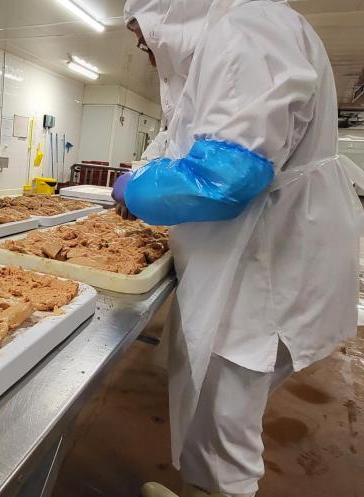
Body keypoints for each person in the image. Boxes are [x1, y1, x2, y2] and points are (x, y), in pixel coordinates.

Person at [113, 1, 363, 497]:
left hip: (264, 269)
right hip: (255, 260)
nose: (143, 48)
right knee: (214, 412)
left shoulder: (249, 30)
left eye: (143, 34)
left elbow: (225, 177)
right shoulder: (226, 41)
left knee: (223, 432)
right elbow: (193, 143)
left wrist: (136, 188)